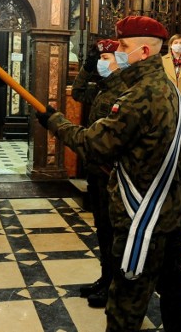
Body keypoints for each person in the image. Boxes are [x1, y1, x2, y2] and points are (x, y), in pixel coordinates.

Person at [36, 16, 181, 332]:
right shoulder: (169, 90)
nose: (118, 52)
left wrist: (55, 121)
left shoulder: (140, 96)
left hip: (144, 216)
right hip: (172, 211)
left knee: (125, 305)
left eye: (123, 47)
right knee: (173, 288)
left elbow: (94, 144)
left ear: (144, 51)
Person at [71, 38, 125, 308]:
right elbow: (77, 92)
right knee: (102, 229)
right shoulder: (101, 88)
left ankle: (115, 285)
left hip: (111, 174)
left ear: (120, 61)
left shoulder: (125, 91)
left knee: (114, 232)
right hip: (95, 171)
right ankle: (105, 278)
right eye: (100, 59)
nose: (102, 64)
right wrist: (87, 66)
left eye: (107, 59)